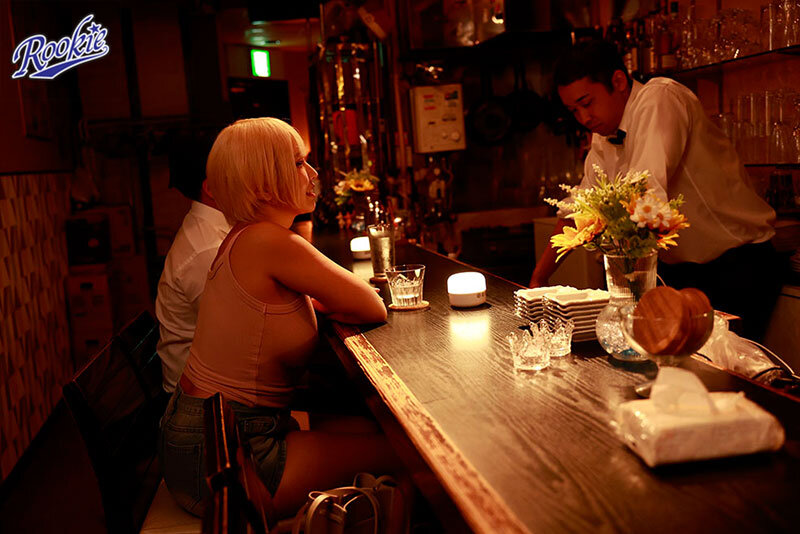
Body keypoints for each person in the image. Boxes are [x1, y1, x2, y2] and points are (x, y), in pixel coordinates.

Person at [159, 118, 398, 520]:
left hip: (209, 437)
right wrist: (330, 301)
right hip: (226, 457)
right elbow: (372, 306)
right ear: (263, 185)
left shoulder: (244, 235)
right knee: (406, 455)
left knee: (377, 431)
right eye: (298, 163)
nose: (313, 174)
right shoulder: (268, 241)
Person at [530, 40, 781, 341]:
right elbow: (578, 211)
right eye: (574, 110)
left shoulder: (660, 98)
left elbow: (645, 193)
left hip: (736, 264)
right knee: (671, 365)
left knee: (729, 364)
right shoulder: (603, 136)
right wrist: (537, 283)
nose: (583, 118)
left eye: (587, 103)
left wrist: (629, 291)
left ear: (618, 81)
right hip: (679, 271)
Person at [156, 129, 232, 394]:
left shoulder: (216, 231)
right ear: (211, 188)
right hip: (200, 406)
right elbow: (246, 333)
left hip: (216, 387)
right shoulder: (208, 250)